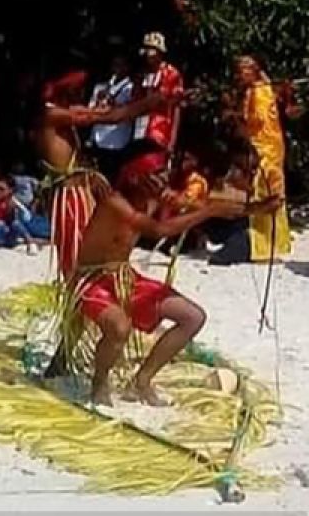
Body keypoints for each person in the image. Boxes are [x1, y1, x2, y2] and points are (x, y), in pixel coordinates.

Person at [66, 151, 269, 406]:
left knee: (192, 317)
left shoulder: (155, 197)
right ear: (136, 177)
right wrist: (209, 211)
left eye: (164, 171)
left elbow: (209, 203)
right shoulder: (114, 203)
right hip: (92, 281)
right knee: (119, 327)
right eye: (156, 173)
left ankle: (141, 381)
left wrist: (255, 209)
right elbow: (160, 230)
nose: (163, 178)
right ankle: (99, 384)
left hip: (125, 277)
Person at [36, 69, 169, 280]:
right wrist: (147, 104)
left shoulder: (62, 111)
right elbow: (110, 117)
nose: (80, 95)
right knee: (75, 249)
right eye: (77, 90)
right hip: (69, 196)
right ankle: (79, 296)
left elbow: (107, 115)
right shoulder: (50, 114)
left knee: (90, 244)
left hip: (81, 192)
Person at [215, 54, 292, 264]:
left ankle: (262, 245)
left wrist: (233, 114)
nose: (239, 75)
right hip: (262, 147)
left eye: (243, 70)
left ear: (254, 70)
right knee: (259, 193)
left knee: (264, 193)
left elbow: (256, 123)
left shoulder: (261, 92)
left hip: (266, 150)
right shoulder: (254, 90)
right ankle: (260, 242)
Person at [132, 32, 184, 158]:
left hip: (159, 132)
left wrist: (172, 141)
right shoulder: (142, 74)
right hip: (140, 131)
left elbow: (177, 108)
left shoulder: (171, 74)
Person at [87, 54, 134, 182]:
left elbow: (129, 111)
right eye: (115, 65)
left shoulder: (132, 88)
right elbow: (90, 110)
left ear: (127, 68)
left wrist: (113, 102)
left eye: (120, 65)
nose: (116, 69)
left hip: (115, 142)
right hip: (97, 140)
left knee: (109, 181)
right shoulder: (101, 87)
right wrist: (99, 100)